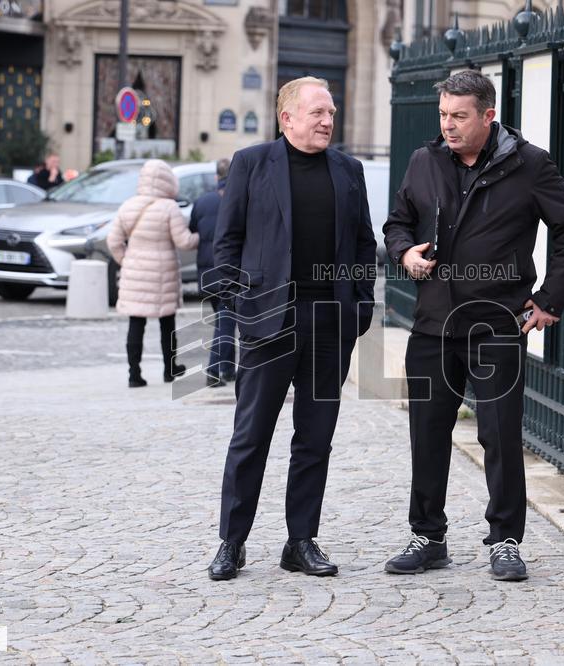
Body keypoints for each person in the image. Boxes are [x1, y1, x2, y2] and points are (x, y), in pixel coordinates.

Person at [382, 70, 564, 581]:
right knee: (428, 435)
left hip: (496, 326)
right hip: (432, 325)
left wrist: (549, 300)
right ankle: (427, 537)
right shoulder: (424, 160)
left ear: (488, 115)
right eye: (443, 116)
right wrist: (403, 250)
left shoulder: (530, 165)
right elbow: (397, 221)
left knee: (499, 436)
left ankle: (505, 541)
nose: (448, 126)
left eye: (459, 116)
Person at [204, 76, 377, 580]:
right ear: (287, 118)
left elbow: (364, 244)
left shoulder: (349, 170)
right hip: (269, 321)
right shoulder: (252, 164)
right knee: (250, 435)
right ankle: (231, 544)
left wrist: (360, 305)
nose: (328, 121)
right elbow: (226, 244)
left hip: (329, 325)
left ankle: (300, 541)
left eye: (331, 113)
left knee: (315, 439)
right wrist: (240, 305)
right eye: (318, 112)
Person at [107, 159, 198, 387]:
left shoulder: (128, 205)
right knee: (167, 323)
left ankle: (134, 374)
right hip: (162, 274)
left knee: (135, 323)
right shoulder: (169, 208)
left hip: (135, 272)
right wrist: (200, 237)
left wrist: (126, 260)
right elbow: (184, 241)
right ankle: (170, 369)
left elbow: (113, 241)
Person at [188, 158, 236, 387]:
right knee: (226, 322)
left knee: (223, 318)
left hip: (206, 272)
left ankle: (228, 368)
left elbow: (194, 229)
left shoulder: (203, 201)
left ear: (216, 177)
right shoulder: (238, 200)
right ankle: (214, 369)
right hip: (229, 271)